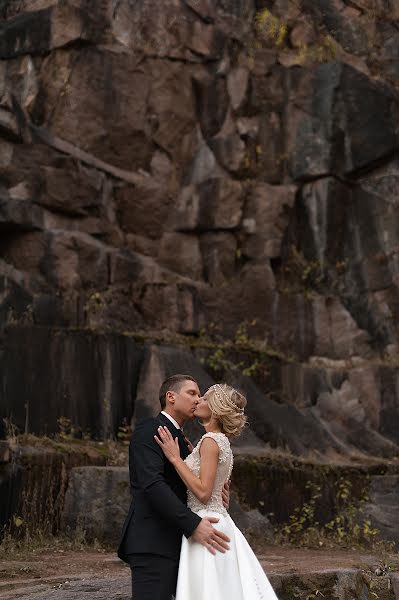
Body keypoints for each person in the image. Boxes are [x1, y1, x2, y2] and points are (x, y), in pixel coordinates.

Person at [155, 382, 279, 600]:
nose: (198, 401)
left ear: (214, 407)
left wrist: (175, 458)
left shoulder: (211, 442)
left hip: (206, 522)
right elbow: (215, 484)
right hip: (219, 519)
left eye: (204, 398)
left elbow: (203, 493)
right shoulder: (219, 442)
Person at [117, 374, 231, 600]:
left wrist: (218, 492)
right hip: (154, 544)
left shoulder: (187, 443)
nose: (198, 400)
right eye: (192, 393)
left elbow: (198, 488)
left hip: (184, 546)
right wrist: (193, 524)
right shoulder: (149, 429)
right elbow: (152, 485)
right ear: (171, 397)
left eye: (200, 395)